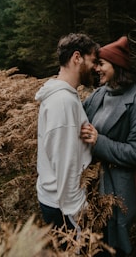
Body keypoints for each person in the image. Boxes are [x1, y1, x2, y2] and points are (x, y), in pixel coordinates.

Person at [80, 36, 136, 257]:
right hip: (93, 182)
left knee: (116, 246)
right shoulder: (100, 93)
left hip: (119, 189)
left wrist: (99, 141)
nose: (96, 68)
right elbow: (79, 116)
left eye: (102, 64)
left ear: (117, 66)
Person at [35, 33, 98, 237]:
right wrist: (78, 211)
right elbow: (66, 163)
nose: (96, 68)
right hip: (64, 207)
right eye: (93, 61)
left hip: (57, 201)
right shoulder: (62, 102)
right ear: (77, 57)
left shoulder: (65, 96)